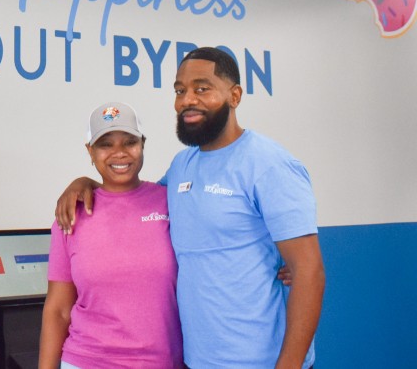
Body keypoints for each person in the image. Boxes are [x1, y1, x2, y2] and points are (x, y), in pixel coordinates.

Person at [55, 47, 325, 369]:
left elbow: (309, 271)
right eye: (180, 91)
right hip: (198, 361)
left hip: (260, 361)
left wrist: (290, 365)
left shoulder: (270, 165)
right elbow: (131, 195)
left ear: (234, 95)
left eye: (202, 88)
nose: (187, 100)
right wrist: (86, 182)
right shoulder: (183, 165)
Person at [39, 101, 182, 369]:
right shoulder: (70, 214)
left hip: (162, 363)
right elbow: (58, 310)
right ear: (90, 152)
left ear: (143, 145)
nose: (119, 153)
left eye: (129, 142)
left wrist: (284, 265)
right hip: (85, 360)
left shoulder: (172, 202)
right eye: (106, 145)